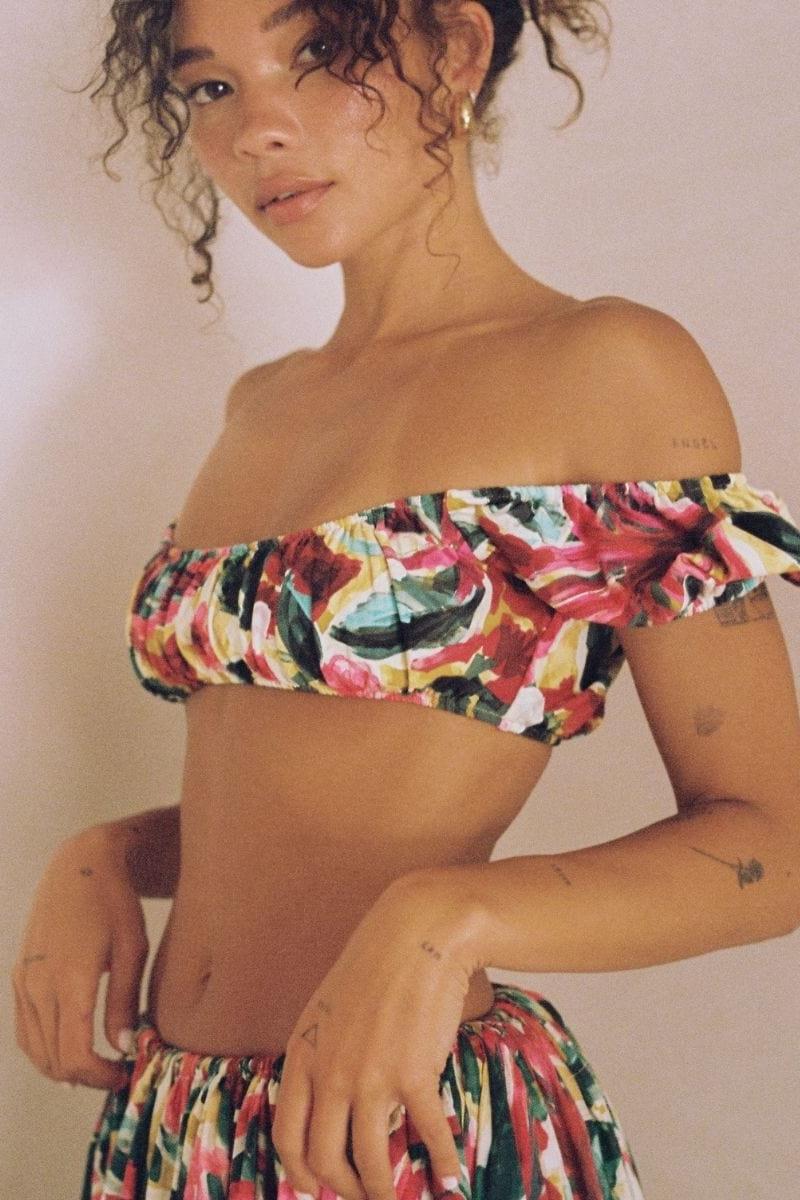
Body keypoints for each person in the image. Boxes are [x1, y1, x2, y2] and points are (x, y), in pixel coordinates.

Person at [12, 1, 800, 1198]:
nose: (258, 128)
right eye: (211, 86)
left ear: (459, 46)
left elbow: (771, 843)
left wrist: (451, 917)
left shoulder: (604, 368)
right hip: (170, 1128)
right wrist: (106, 853)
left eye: (316, 55)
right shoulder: (258, 407)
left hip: (396, 1137)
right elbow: (295, 807)